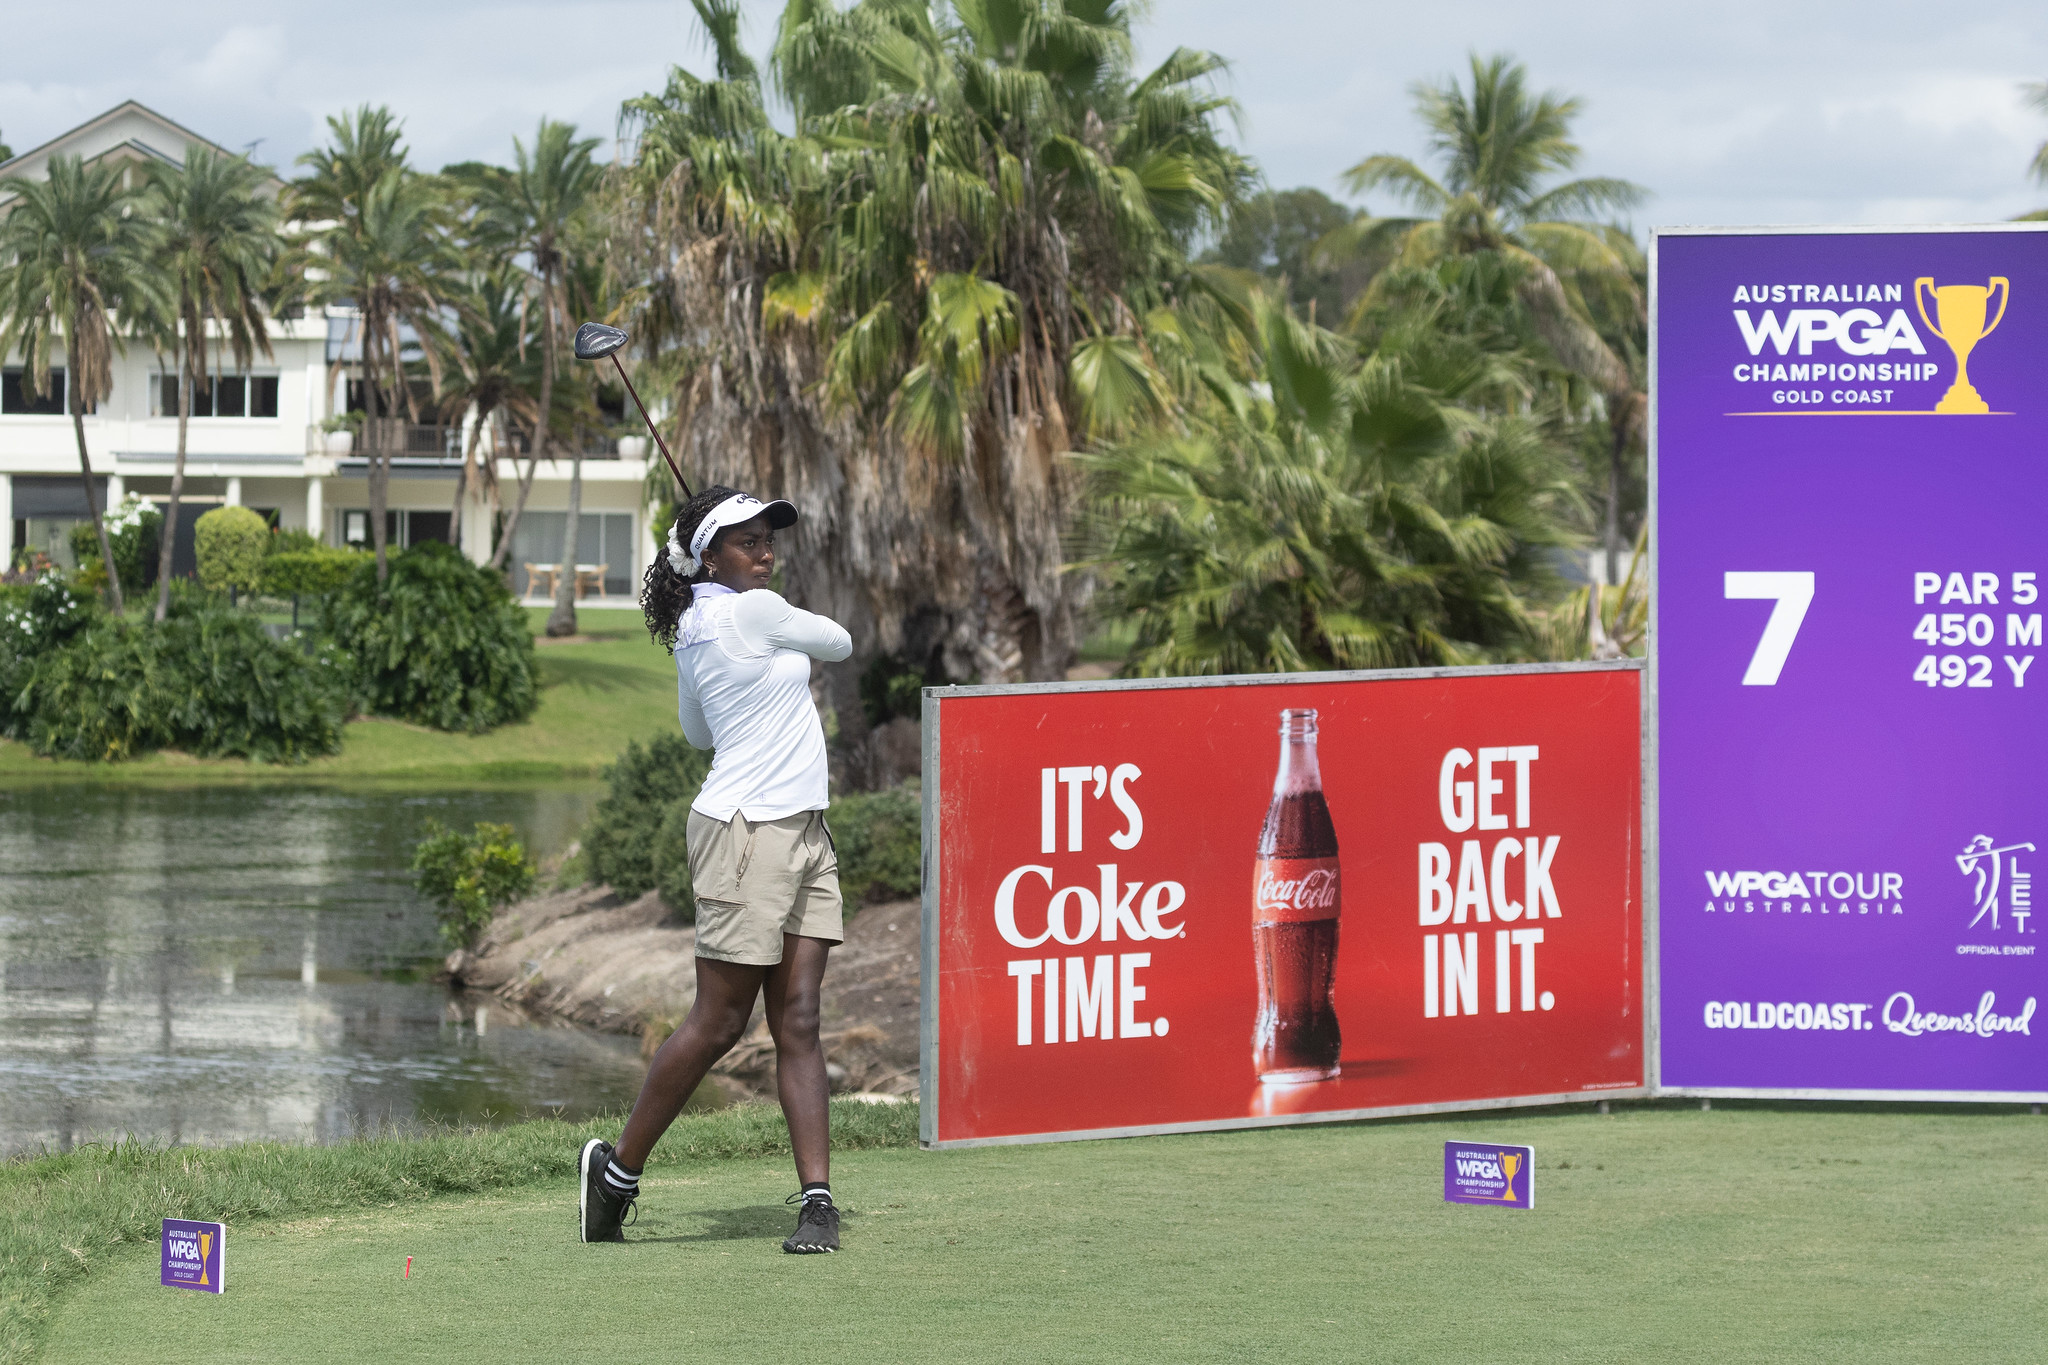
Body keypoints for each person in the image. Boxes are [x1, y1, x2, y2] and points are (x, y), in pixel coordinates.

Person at [579, 485, 853, 1252]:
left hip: (801, 825)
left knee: (797, 1017)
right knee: (721, 1020)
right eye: (748, 541)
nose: (766, 552)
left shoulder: (695, 629)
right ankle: (617, 1173)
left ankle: (818, 1202)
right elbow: (839, 640)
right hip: (746, 833)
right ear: (709, 555)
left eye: (770, 538)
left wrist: (759, 642)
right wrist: (775, 628)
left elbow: (699, 729)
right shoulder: (756, 612)